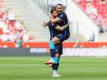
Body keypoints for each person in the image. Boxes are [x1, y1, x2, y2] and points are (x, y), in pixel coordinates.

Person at [43, 7, 69, 77]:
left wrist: (66, 25)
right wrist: (45, 24)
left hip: (57, 40)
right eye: (55, 13)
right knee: (56, 56)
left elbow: (60, 28)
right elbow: (45, 25)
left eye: (57, 13)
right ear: (52, 13)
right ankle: (54, 71)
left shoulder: (54, 21)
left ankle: (55, 70)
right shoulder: (52, 21)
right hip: (54, 40)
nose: (56, 14)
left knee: (57, 56)